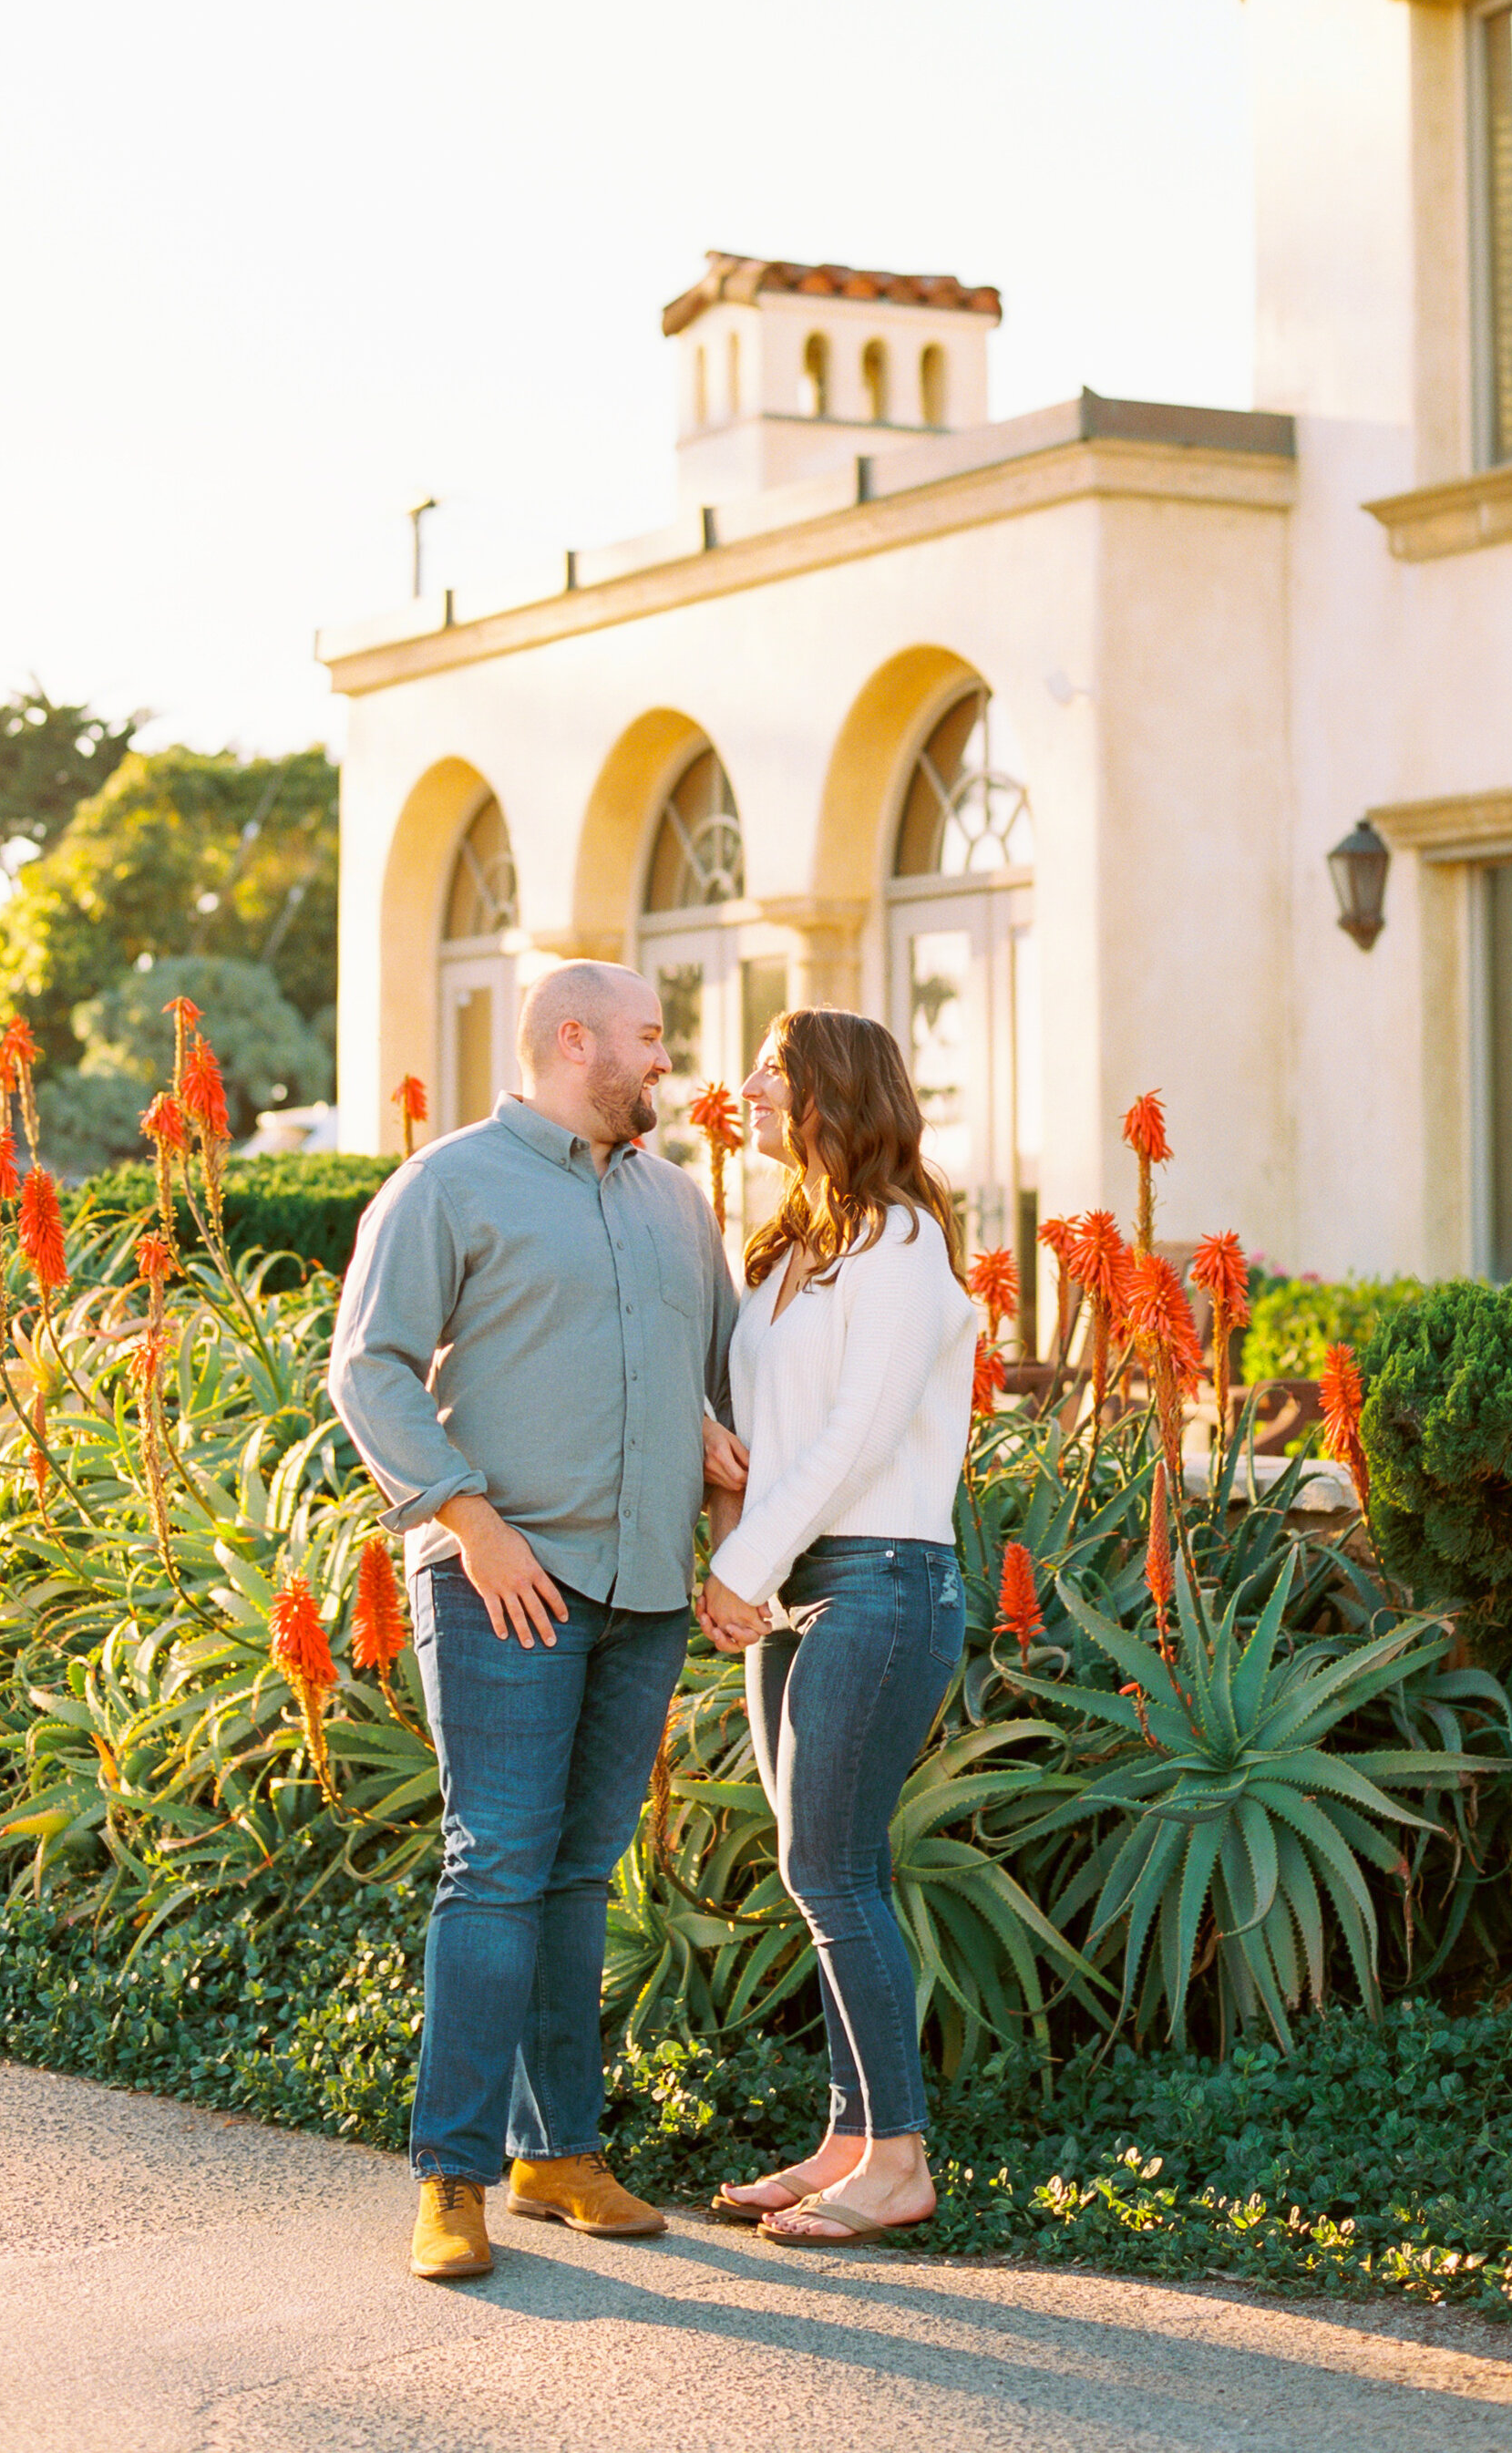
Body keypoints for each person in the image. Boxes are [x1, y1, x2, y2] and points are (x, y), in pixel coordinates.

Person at [328, 959, 739, 2283]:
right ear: (576, 1040)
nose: (664, 1063)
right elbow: (367, 1364)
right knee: (495, 1865)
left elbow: (699, 1367)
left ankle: (556, 2150)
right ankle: (448, 2176)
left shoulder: (680, 1204)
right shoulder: (447, 1184)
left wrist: (715, 1447)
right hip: (505, 1578)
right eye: (650, 1039)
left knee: (578, 1873)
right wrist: (468, 1518)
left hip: (645, 1592)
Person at [696, 1005, 973, 2248]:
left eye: (776, 1066)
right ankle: (849, 2139)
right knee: (834, 1871)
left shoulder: (905, 1244)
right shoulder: (795, 1248)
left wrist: (741, 1565)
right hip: (800, 1587)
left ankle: (900, 2158)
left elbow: (854, 1441)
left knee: (827, 1868)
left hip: (884, 1578)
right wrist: (730, 1523)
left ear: (835, 1093)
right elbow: (762, 1432)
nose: (748, 1083)